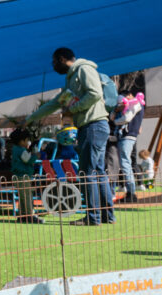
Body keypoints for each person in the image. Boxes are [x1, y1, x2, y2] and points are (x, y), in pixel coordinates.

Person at [47, 47, 115, 225]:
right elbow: (56, 102)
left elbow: (95, 94)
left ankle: (93, 218)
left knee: (88, 172)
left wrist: (73, 109)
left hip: (92, 126)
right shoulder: (71, 78)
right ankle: (108, 216)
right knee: (98, 171)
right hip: (95, 126)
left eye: (54, 62)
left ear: (62, 59)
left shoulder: (83, 69)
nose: (53, 66)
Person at [113, 93, 146, 202]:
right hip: (129, 137)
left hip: (128, 136)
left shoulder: (135, 104)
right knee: (126, 163)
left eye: (125, 97)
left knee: (125, 163)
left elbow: (126, 118)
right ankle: (130, 192)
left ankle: (131, 193)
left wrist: (115, 121)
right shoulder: (135, 105)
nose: (124, 100)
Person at [9, 128, 42, 224]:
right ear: (22, 141)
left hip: (17, 176)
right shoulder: (21, 150)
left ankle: (22, 215)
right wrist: (35, 155)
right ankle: (30, 215)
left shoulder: (16, 149)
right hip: (23, 176)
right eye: (27, 140)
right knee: (27, 196)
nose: (28, 142)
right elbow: (28, 160)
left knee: (22, 196)